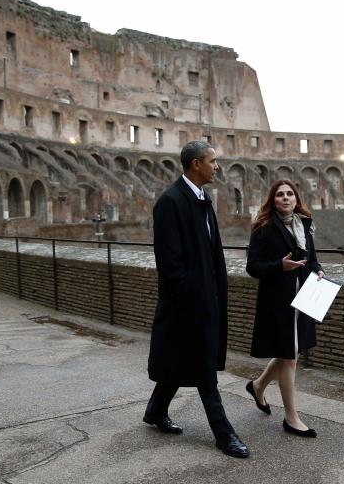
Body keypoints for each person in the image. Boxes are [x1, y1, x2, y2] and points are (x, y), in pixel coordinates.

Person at [144, 140, 249, 459]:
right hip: (187, 306)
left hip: (206, 299)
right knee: (204, 368)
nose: (217, 166)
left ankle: (155, 410)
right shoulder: (170, 202)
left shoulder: (202, 199)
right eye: (212, 161)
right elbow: (169, 263)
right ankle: (224, 433)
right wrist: (192, 298)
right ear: (196, 165)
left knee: (181, 361)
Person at [245, 180, 324, 438]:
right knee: (290, 356)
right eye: (280, 194)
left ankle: (258, 386)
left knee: (289, 352)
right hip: (278, 302)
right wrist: (279, 266)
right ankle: (291, 418)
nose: (286, 198)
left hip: (303, 298)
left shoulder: (305, 224)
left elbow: (310, 258)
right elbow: (253, 267)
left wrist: (318, 270)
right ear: (273, 199)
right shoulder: (263, 228)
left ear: (296, 197)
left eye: (290, 194)